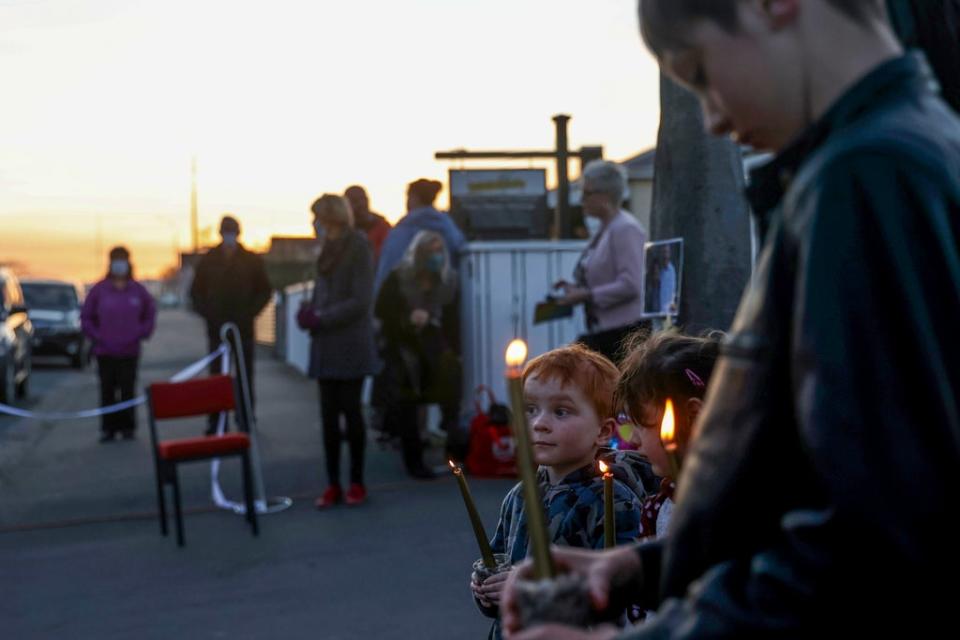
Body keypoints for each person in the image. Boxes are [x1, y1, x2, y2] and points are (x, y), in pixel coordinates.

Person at [500, 1, 960, 637]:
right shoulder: (903, 149)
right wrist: (641, 566)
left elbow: (873, 542)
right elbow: (803, 492)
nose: (713, 116)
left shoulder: (866, 175)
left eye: (701, 71)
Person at [472, 344, 648, 640]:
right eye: (530, 410)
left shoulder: (612, 500)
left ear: (603, 431)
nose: (539, 424)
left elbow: (619, 593)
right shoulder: (519, 495)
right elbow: (497, 559)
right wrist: (487, 587)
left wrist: (525, 592)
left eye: (561, 412)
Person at [297, 194, 377, 508]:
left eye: (316, 217)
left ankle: (357, 482)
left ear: (330, 218)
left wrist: (322, 316)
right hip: (326, 346)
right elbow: (324, 292)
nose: (313, 223)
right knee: (328, 418)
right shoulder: (326, 250)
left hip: (350, 344)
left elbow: (361, 298)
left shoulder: (358, 246)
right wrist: (308, 309)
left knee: (352, 414)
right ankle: (333, 484)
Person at [614, 330, 720, 542]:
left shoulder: (738, 501)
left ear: (694, 416)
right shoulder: (657, 507)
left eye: (642, 424)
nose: (633, 440)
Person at [374, 230, 460, 479]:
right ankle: (414, 461)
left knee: (449, 397)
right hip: (404, 346)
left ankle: (452, 455)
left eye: (438, 250)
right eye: (430, 251)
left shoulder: (447, 281)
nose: (435, 256)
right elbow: (382, 312)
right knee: (408, 403)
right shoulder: (399, 278)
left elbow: (452, 319)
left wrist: (455, 351)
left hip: (434, 345)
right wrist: (407, 319)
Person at [554, 161, 647, 363]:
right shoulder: (608, 228)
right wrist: (575, 289)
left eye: (586, 193)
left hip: (622, 336)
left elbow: (632, 284)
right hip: (609, 333)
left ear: (604, 195)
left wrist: (586, 295)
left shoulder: (625, 229)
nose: (581, 199)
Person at [190, 215, 272, 434]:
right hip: (216, 330)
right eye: (226, 231)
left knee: (245, 376)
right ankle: (217, 422)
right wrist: (209, 314)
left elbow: (265, 290)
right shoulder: (208, 260)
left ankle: (246, 419)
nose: (229, 236)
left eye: (232, 231)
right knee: (217, 378)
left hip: (243, 329)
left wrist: (250, 313)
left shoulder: (251, 260)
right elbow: (195, 293)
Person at [80, 246, 157, 443]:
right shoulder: (99, 290)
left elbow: (150, 313)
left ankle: (128, 427)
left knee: (127, 390)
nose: (119, 264)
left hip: (129, 351)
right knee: (107, 390)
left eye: (122, 260)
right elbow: (86, 317)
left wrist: (141, 332)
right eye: (116, 260)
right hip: (105, 351)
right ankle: (108, 429)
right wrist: (97, 336)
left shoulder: (138, 291)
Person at [373, 178, 465, 293]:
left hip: (404, 300)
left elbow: (386, 270)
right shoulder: (449, 228)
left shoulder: (402, 231)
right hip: (444, 297)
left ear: (414, 197)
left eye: (408, 197)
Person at [343, 185, 392, 264]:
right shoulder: (341, 230)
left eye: (363, 199)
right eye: (354, 200)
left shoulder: (382, 226)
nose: (361, 204)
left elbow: (387, 254)